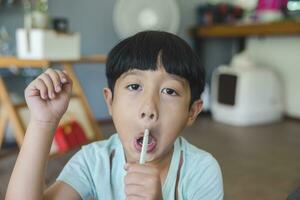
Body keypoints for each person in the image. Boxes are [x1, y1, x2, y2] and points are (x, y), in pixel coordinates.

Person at [5, 31, 223, 200]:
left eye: (169, 91)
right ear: (110, 101)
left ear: (192, 112)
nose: (149, 108)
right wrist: (43, 122)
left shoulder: (201, 171)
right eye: (135, 86)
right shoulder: (94, 162)